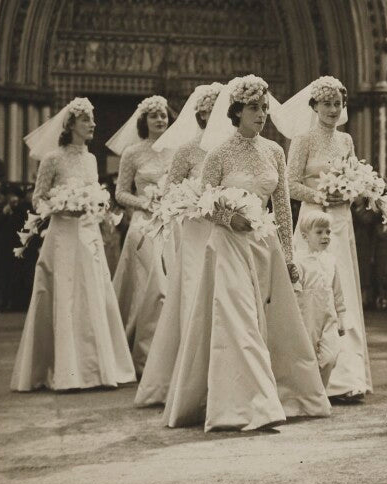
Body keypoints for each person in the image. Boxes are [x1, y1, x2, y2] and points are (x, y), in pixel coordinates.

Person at [163, 75, 329, 431]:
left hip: (263, 246)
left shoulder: (275, 151)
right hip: (227, 247)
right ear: (236, 112)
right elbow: (200, 205)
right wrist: (228, 216)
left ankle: (270, 395)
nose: (262, 114)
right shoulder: (219, 153)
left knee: (266, 322)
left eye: (265, 107)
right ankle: (251, 406)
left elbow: (283, 208)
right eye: (254, 108)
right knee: (237, 319)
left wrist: (288, 256)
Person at [11, 98, 135, 391]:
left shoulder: (91, 159)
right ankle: (66, 371)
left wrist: (98, 209)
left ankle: (95, 368)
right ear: (71, 125)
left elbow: (94, 193)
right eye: (86, 120)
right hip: (63, 234)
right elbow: (38, 197)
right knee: (65, 294)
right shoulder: (53, 158)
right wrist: (62, 205)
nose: (93, 125)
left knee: (92, 294)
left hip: (88, 233)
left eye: (92, 120)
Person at [279, 76, 372, 402]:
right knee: (316, 292)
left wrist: (355, 190)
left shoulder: (345, 141)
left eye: (338, 104)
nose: (333, 110)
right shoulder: (302, 140)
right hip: (313, 218)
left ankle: (348, 378)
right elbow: (289, 185)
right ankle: (316, 372)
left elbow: (354, 178)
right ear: (315, 105)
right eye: (327, 103)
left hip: (340, 220)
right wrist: (323, 194)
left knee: (343, 287)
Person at [135, 82, 222, 407]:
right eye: (209, 111)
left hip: (223, 231)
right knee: (192, 295)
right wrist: (192, 199)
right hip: (195, 233)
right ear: (200, 114)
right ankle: (190, 378)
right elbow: (170, 192)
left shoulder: (230, 147)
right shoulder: (186, 150)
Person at [108, 95, 174, 375]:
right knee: (152, 288)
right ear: (143, 121)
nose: (160, 119)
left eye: (163, 115)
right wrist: (144, 203)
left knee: (169, 289)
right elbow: (120, 192)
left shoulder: (175, 150)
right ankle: (143, 357)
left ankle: (165, 356)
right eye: (154, 116)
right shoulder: (132, 153)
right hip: (143, 225)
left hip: (170, 224)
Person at [292, 211, 347, 387]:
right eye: (319, 232)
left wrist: (341, 317)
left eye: (328, 232)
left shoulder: (330, 260)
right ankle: (312, 396)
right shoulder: (298, 261)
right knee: (307, 357)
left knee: (330, 357)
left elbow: (337, 292)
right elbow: (294, 292)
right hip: (306, 314)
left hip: (328, 315)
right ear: (305, 236)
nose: (325, 236)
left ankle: (320, 392)